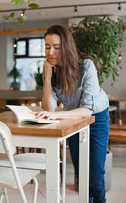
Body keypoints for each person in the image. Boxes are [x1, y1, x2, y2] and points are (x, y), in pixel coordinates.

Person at [34, 25, 110, 203]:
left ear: (66, 47)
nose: (51, 52)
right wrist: (46, 78)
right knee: (81, 173)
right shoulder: (51, 70)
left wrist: (57, 116)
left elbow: (87, 110)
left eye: (57, 47)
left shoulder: (86, 66)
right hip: (73, 120)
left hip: (96, 118)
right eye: (47, 46)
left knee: (95, 176)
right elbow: (49, 109)